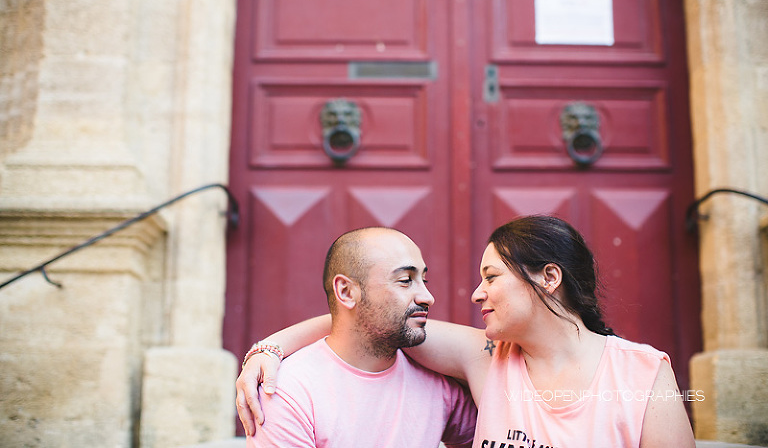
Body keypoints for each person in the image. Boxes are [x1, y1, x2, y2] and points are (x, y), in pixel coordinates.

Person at [237, 215, 696, 448]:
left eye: (491, 277)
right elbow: (366, 321)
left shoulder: (642, 373)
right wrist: (270, 349)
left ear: (549, 278)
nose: (476, 293)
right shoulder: (485, 356)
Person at [236, 226, 477, 447]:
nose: (427, 297)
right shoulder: (288, 392)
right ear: (346, 291)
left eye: (423, 280)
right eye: (405, 281)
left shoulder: (437, 384)